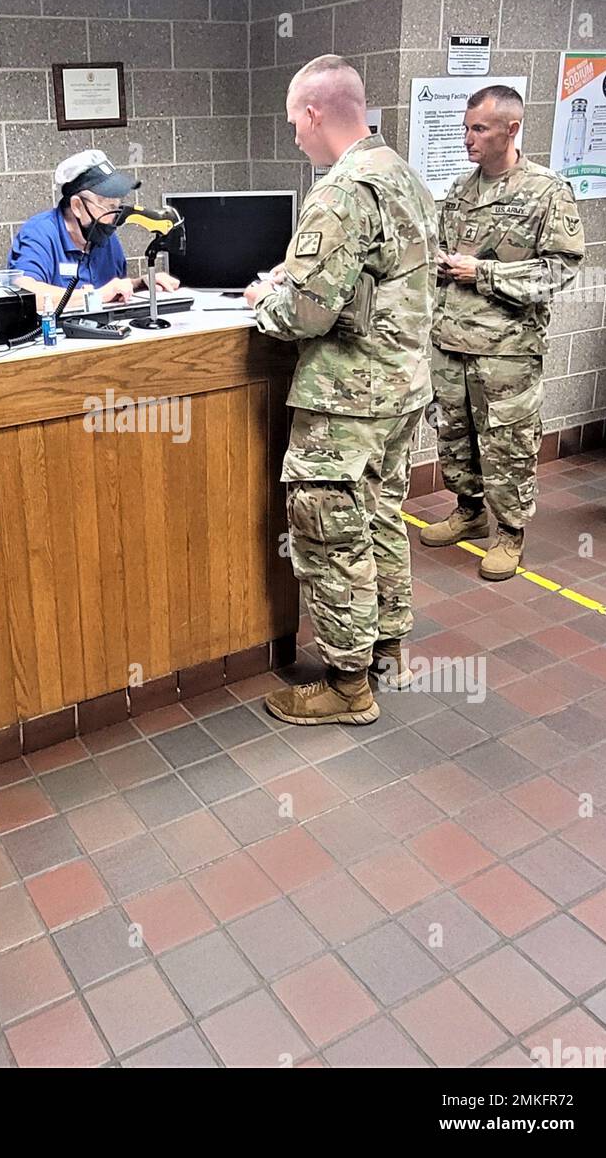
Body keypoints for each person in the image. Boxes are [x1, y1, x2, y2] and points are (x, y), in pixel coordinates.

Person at [244, 55, 436, 727]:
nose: (293, 132)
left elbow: (306, 314)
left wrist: (266, 296)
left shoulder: (343, 188)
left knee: (329, 531)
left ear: (317, 112)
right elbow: (365, 281)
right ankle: (387, 651)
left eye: (295, 118)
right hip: (401, 388)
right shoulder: (401, 174)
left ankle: (346, 685)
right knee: (380, 517)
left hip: (347, 398)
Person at [422, 86, 584, 580]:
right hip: (451, 343)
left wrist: (485, 274)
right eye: (466, 128)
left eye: (479, 129)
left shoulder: (546, 191)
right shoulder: (459, 191)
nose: (467, 139)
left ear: (511, 129)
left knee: (508, 443)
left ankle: (510, 533)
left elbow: (561, 270)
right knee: (454, 436)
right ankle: (469, 510)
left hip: (508, 352)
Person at [8, 149, 180, 309]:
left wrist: (141, 284)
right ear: (77, 206)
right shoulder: (39, 233)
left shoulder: (105, 236)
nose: (114, 217)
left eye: (117, 206)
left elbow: (111, 291)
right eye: (108, 206)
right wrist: (94, 296)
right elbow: (25, 294)